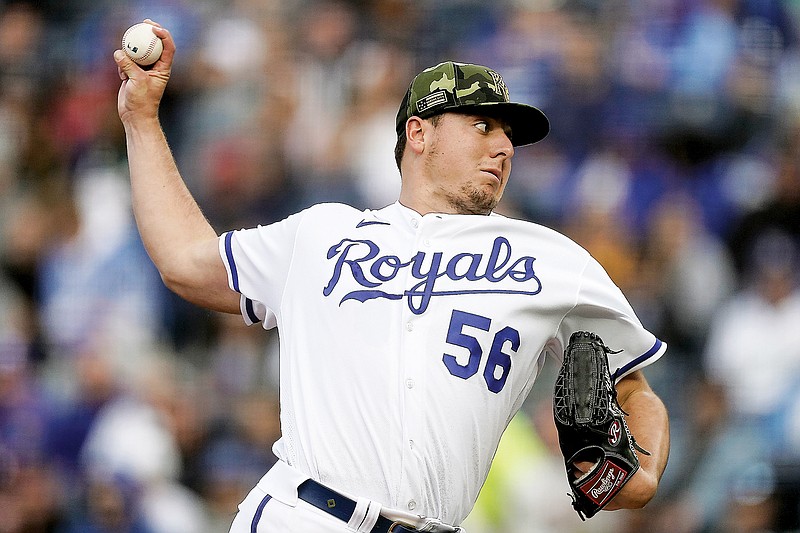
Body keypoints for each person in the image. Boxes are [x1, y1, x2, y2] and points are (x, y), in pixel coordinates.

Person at [113, 20, 670, 533]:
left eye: (508, 136)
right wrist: (140, 120)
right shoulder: (323, 234)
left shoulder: (549, 259)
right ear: (419, 133)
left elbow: (633, 384)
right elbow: (185, 262)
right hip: (304, 515)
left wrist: (640, 476)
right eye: (482, 125)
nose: (503, 146)